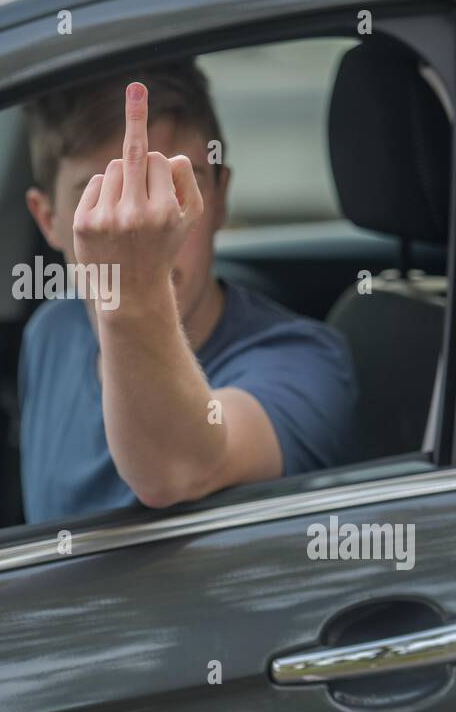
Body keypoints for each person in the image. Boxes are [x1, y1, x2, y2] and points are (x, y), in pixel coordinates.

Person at [19, 60, 357, 522]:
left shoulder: (305, 362)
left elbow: (176, 471)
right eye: (101, 194)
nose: (142, 221)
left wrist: (132, 285)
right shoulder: (52, 333)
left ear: (219, 198)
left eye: (176, 188)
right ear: (48, 219)